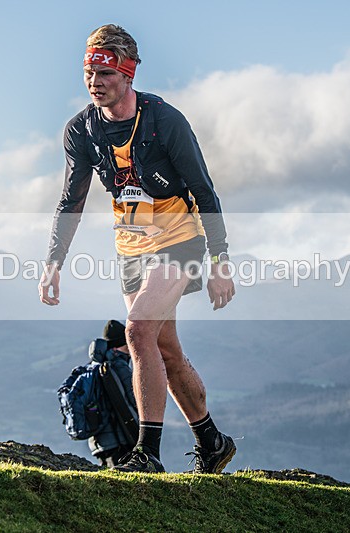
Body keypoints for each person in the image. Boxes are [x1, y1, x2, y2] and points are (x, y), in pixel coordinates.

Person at [39, 24, 236, 474]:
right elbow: (71, 200)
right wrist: (53, 264)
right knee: (165, 350)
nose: (95, 81)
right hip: (131, 247)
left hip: (180, 239)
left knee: (138, 330)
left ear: (128, 73)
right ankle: (212, 440)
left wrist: (221, 260)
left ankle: (146, 454)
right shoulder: (81, 130)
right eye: (89, 71)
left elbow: (205, 192)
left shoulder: (165, 121)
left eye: (105, 72)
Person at [88, 320, 136, 467]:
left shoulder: (96, 367)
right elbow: (135, 400)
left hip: (99, 441)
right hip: (119, 438)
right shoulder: (118, 366)